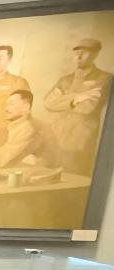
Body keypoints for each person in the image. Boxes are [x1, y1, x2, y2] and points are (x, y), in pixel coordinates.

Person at [43, 38, 113, 176]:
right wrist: (77, 97)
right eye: (76, 53)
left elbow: (88, 107)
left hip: (79, 139)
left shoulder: (105, 78)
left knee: (72, 178)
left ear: (95, 54)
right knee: (46, 176)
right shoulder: (65, 79)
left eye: (84, 53)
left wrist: (63, 98)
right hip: (55, 136)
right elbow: (48, 103)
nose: (78, 57)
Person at [0, 90, 59, 169]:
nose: (6, 109)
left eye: (11, 104)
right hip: (32, 171)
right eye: (6, 105)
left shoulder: (29, 128)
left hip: (42, 176)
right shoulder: (21, 125)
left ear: (26, 107)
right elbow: (7, 152)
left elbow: (1, 161)